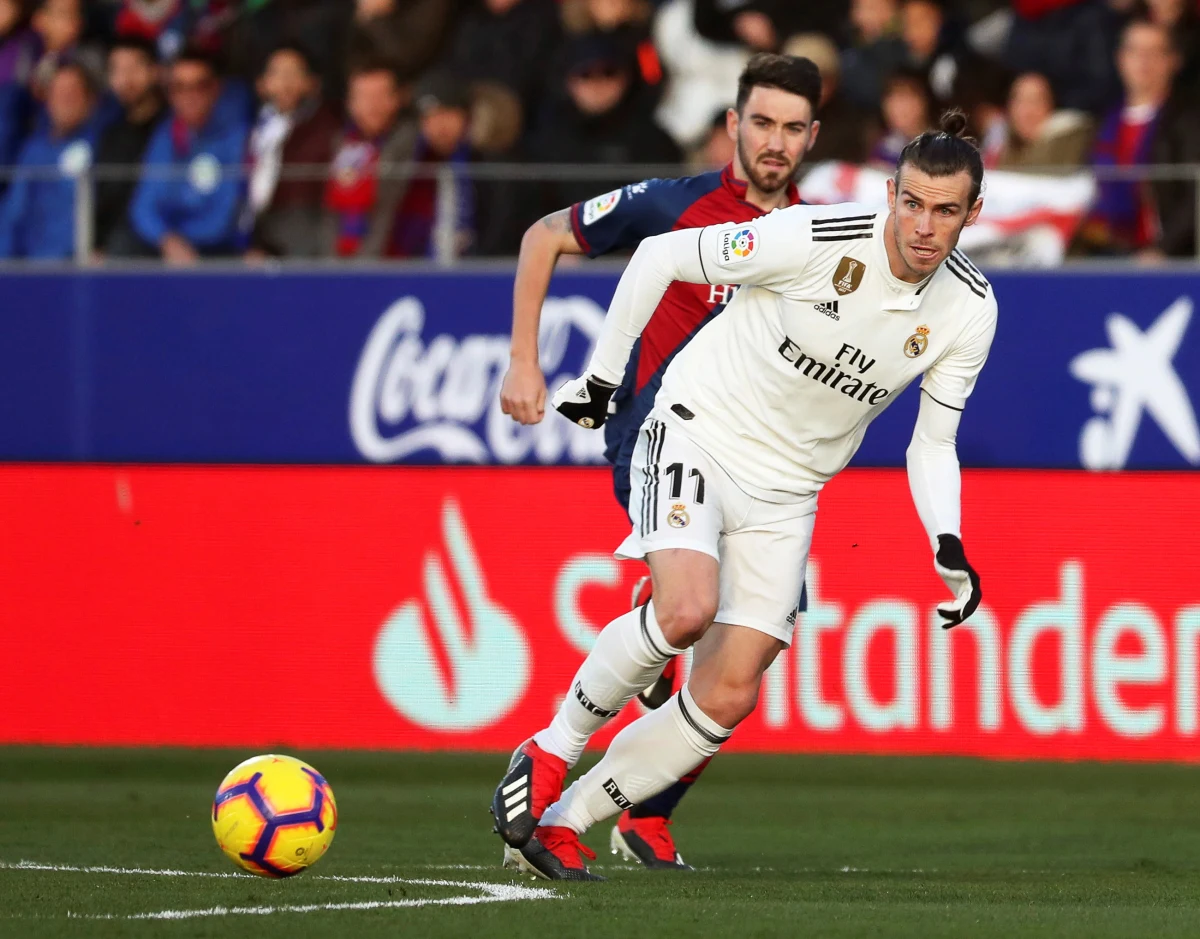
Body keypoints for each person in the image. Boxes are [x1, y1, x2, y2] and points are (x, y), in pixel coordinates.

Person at [495, 108, 995, 880]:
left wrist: (948, 542)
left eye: (947, 210)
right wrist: (601, 378)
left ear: (973, 213)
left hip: (791, 492)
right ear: (891, 192)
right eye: (914, 202)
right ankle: (550, 749)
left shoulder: (971, 308)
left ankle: (567, 820)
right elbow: (660, 256)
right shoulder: (816, 238)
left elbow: (931, 442)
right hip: (700, 429)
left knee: (729, 693)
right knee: (685, 610)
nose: (925, 226)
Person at [494, 52, 821, 874]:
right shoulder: (671, 205)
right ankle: (564, 741)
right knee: (691, 608)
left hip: (755, 461)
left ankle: (645, 813)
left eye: (791, 127)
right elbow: (543, 237)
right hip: (656, 434)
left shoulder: (816, 238)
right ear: (732, 126)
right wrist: (523, 361)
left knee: (742, 665)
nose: (774, 142)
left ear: (811, 137)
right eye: (761, 122)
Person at [126, 46, 248, 262]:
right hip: (167, 248)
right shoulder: (165, 135)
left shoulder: (236, 138)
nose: (189, 96)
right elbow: (144, 205)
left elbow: (227, 213)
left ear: (215, 89)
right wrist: (167, 239)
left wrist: (184, 242)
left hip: (215, 253)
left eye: (199, 86)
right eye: (179, 87)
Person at [243, 43, 339, 259]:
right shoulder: (251, 130)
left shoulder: (327, 131)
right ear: (262, 84)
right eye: (277, 74)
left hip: (300, 239)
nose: (285, 84)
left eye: (294, 74)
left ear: (313, 83)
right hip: (254, 235)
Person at [0, 60, 97, 259]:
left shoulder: (102, 147)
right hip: (25, 268)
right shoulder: (33, 151)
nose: (64, 100)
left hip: (73, 265)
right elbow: (14, 212)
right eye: (58, 92)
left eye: (72, 93)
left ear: (89, 100)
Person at [322, 61, 418, 259]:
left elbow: (391, 206)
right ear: (350, 103)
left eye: (380, 96)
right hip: (338, 262)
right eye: (364, 97)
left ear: (397, 99)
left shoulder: (412, 143)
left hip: (391, 261)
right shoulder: (339, 143)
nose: (372, 105)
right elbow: (329, 213)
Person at [93, 35, 165, 256]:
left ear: (155, 72)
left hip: (152, 242)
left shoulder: (171, 129)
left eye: (133, 69)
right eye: (117, 71)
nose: (125, 80)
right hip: (112, 244)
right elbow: (102, 198)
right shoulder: (110, 133)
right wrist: (96, 244)